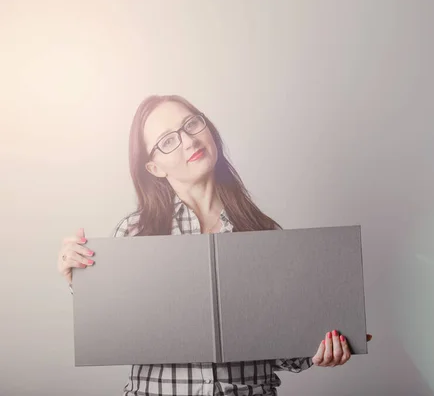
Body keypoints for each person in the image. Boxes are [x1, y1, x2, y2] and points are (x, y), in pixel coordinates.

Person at [57, 94, 372, 395]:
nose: (189, 140)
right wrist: (83, 283)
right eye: (168, 140)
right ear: (154, 168)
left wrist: (323, 348)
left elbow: (283, 355)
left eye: (192, 124)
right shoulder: (135, 234)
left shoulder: (264, 233)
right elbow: (117, 330)